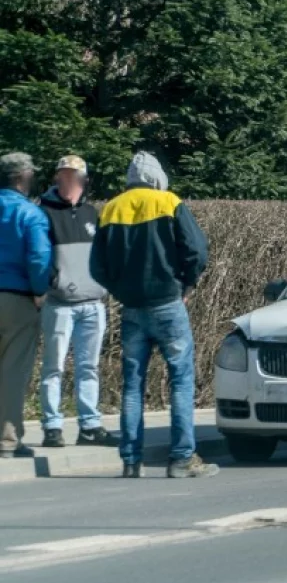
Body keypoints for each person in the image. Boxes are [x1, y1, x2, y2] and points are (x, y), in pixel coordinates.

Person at [90, 152, 217, 479]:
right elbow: (197, 250)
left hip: (133, 309)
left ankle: (131, 460)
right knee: (181, 380)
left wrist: (120, 291)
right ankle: (182, 459)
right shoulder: (168, 201)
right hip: (168, 304)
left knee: (132, 384)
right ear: (158, 177)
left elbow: (97, 266)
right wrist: (186, 284)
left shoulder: (111, 209)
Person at [38, 155, 116, 448]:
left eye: (74, 176)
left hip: (93, 303)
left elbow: (104, 256)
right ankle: (52, 426)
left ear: (84, 181)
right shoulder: (43, 212)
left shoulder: (92, 214)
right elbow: (38, 256)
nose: (68, 181)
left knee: (89, 366)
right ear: (57, 178)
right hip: (59, 303)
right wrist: (51, 283)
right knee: (53, 366)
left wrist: (103, 285)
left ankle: (90, 425)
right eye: (63, 175)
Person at [0, 153, 51, 459]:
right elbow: (39, 257)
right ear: (22, 178)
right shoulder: (29, 213)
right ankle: (7, 440)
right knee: (12, 371)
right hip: (17, 297)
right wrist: (39, 290)